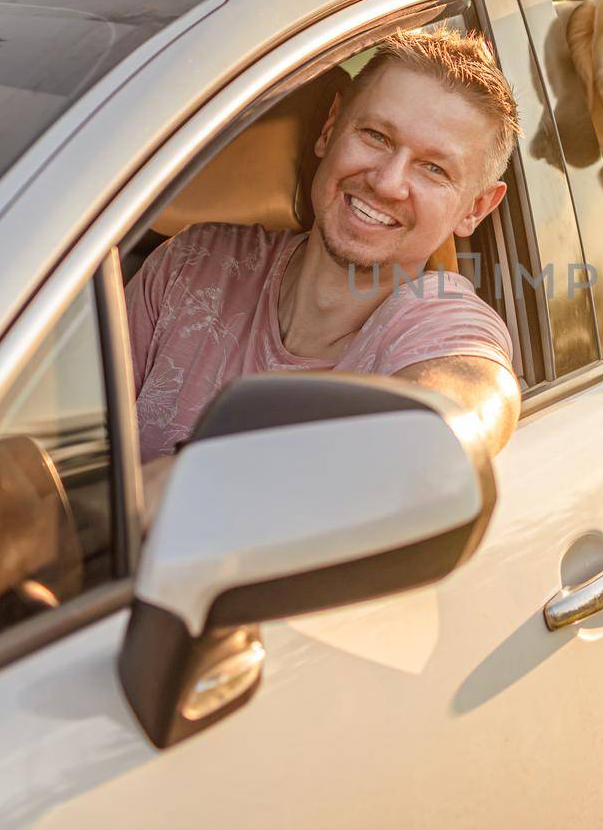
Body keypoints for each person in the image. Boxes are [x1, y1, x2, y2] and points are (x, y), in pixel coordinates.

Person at [127, 27, 523, 486]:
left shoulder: (445, 326)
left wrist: (179, 483)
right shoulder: (191, 263)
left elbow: (468, 405)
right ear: (331, 129)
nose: (387, 182)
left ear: (476, 208)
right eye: (376, 136)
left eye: (434, 168)